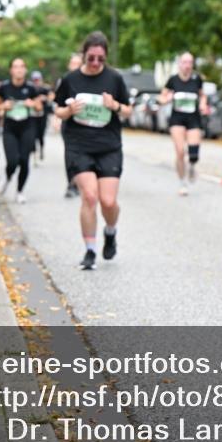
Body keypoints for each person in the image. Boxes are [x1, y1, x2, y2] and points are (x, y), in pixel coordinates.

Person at [54, 32, 132, 270]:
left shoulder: (114, 79)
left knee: (108, 201)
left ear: (106, 57)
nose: (96, 63)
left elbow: (128, 110)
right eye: (91, 58)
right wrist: (69, 111)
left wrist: (115, 106)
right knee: (89, 196)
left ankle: (110, 231)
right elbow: (57, 110)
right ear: (84, 54)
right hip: (79, 145)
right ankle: (89, 250)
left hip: (108, 146)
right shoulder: (71, 80)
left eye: (101, 58)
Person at [0, 59, 42, 204]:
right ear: (11, 70)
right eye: (16, 67)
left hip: (27, 128)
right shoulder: (4, 87)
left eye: (22, 67)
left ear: (25, 70)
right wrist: (3, 106)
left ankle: (20, 191)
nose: (19, 70)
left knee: (24, 161)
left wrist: (32, 104)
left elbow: (39, 107)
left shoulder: (31, 88)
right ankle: (7, 178)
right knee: (12, 161)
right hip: (10, 128)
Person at [159, 52, 209, 195]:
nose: (187, 65)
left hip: (194, 118)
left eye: (190, 62)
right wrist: (167, 99)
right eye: (185, 62)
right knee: (180, 151)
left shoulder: (197, 79)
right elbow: (161, 97)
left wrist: (203, 104)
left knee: (193, 154)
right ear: (179, 64)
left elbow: (202, 95)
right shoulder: (173, 80)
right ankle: (182, 183)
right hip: (177, 119)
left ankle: (192, 166)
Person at [59, 53, 83, 198]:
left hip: (86, 126)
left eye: (78, 63)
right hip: (69, 124)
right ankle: (71, 183)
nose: (75, 67)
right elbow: (58, 105)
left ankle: (82, 181)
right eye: (73, 63)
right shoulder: (65, 81)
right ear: (69, 65)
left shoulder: (90, 81)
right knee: (70, 153)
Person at [29, 70, 51, 163]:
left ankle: (41, 149)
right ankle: (34, 153)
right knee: (32, 135)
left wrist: (45, 98)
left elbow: (51, 98)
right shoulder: (29, 89)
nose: (36, 81)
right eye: (35, 80)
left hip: (42, 116)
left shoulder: (45, 89)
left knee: (41, 135)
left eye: (38, 79)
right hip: (32, 116)